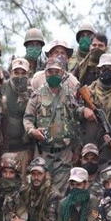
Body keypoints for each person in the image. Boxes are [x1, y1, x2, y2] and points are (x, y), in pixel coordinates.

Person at [24, 58, 81, 195]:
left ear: (62, 73)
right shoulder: (36, 95)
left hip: (64, 154)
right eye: (50, 71)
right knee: (41, 190)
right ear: (45, 73)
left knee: (60, 193)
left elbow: (76, 121)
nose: (53, 74)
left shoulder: (69, 95)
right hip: (43, 152)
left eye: (57, 71)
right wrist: (32, 131)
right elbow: (27, 119)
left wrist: (77, 149)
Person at [1, 57, 33, 181]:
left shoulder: (32, 94)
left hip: (23, 150)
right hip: (4, 148)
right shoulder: (2, 88)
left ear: (28, 74)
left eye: (23, 73)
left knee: (21, 183)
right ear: (11, 72)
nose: (19, 76)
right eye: (16, 72)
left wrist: (31, 150)